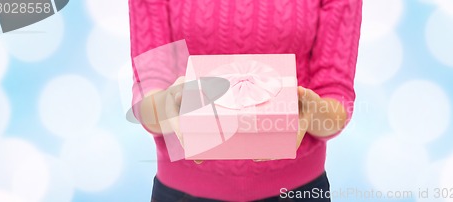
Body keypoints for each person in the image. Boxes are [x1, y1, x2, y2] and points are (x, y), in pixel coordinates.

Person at [128, 0, 362, 201]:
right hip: (181, 192)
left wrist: (313, 111)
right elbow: (149, 89)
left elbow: (336, 94)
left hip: (299, 190)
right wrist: (166, 106)